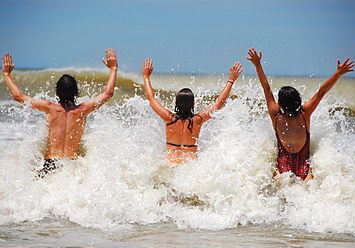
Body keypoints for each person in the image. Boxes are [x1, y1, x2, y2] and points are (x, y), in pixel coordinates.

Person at [2, 48, 118, 177]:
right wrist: (113, 69)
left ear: (57, 92)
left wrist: (7, 74)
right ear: (76, 92)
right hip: (73, 164)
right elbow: (108, 93)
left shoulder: (49, 108)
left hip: (50, 163)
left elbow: (19, 97)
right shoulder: (83, 109)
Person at [246, 47, 355, 182]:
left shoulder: (276, 116)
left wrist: (258, 65)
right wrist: (338, 73)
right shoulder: (304, 114)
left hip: (283, 168)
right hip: (304, 169)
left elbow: (266, 88)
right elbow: (322, 92)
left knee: (278, 181)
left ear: (279, 103)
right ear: (298, 100)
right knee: (309, 183)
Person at [142, 58, 243, 166]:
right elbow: (219, 103)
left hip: (170, 166)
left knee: (159, 156)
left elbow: (151, 98)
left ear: (176, 103)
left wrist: (146, 76)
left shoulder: (169, 118)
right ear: (193, 104)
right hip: (189, 168)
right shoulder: (197, 120)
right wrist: (231, 80)